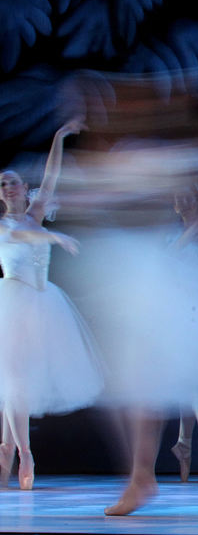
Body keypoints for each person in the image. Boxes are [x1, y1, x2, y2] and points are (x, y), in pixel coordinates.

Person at [93, 132, 198, 515]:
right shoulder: (173, 233)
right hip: (178, 311)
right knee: (167, 386)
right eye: (178, 196)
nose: (183, 200)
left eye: (188, 193)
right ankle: (167, 461)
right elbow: (167, 260)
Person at [0, 118, 103, 491]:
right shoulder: (5, 225)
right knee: (11, 381)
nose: (8, 187)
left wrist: (59, 137)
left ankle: (7, 449)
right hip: (11, 302)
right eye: (2, 183)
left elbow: (51, 177)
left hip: (42, 305)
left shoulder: (36, 212)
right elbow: (21, 234)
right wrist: (54, 236)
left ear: (23, 189)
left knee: (18, 384)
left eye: (13, 181)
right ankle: (22, 452)